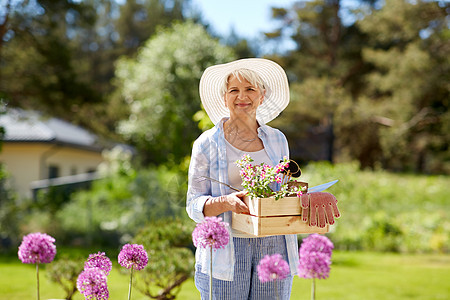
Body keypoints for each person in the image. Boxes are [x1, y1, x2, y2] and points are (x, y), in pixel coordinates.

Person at [186, 58, 340, 299]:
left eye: (250, 89)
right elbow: (193, 205)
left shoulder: (277, 139)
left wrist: (309, 195)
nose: (242, 96)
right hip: (227, 249)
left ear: (262, 95)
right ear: (224, 97)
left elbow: (283, 189)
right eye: (234, 90)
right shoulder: (206, 143)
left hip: (274, 243)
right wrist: (227, 201)